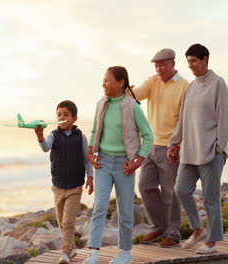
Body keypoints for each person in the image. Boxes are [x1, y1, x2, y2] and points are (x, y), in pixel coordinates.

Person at [83, 66, 154, 264]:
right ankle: (94, 253)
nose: (103, 84)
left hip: (125, 165)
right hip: (103, 162)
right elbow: (95, 130)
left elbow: (148, 136)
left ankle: (125, 253)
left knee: (125, 210)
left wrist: (138, 162)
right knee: (99, 207)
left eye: (107, 80)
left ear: (120, 83)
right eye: (103, 80)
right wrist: (90, 152)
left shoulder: (133, 106)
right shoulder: (101, 104)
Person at [168, 43, 228, 254]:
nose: (191, 66)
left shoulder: (218, 84)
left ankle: (212, 242)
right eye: (188, 62)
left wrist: (219, 147)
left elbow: (226, 117)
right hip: (190, 151)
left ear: (205, 59)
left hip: (210, 151)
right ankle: (198, 228)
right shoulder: (191, 87)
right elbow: (183, 119)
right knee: (181, 189)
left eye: (194, 61)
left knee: (211, 199)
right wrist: (174, 142)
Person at [128, 48, 189, 247]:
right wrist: (127, 91)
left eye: (162, 65)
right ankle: (158, 227)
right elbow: (135, 96)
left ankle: (173, 233)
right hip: (150, 146)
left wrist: (178, 145)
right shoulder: (152, 81)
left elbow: (186, 121)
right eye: (156, 65)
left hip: (171, 147)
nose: (159, 69)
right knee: (145, 185)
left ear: (172, 63)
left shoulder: (184, 87)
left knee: (170, 191)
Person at [33, 100, 94, 264]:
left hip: (75, 186)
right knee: (62, 222)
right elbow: (46, 147)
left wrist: (90, 176)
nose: (62, 117)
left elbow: (86, 159)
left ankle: (65, 253)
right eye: (59, 114)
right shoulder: (53, 135)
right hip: (58, 186)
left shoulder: (80, 137)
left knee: (68, 222)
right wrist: (40, 136)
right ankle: (72, 248)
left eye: (66, 115)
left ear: (74, 118)